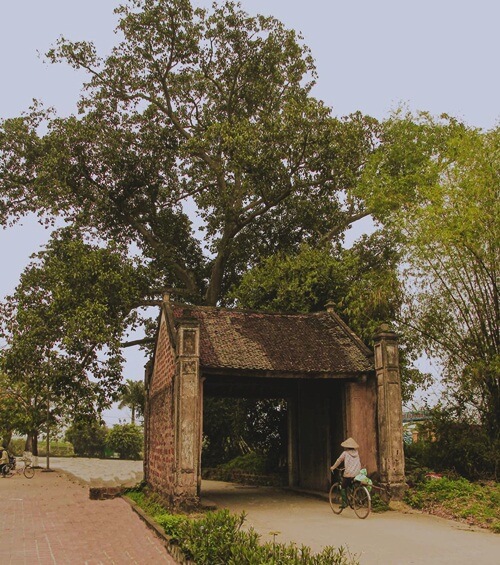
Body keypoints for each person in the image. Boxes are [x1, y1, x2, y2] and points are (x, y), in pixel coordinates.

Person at [330, 437, 362, 508]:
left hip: (349, 473)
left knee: (343, 487)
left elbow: (339, 460)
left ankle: (344, 503)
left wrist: (333, 467)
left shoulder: (345, 453)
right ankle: (355, 497)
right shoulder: (357, 453)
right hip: (357, 473)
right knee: (351, 484)